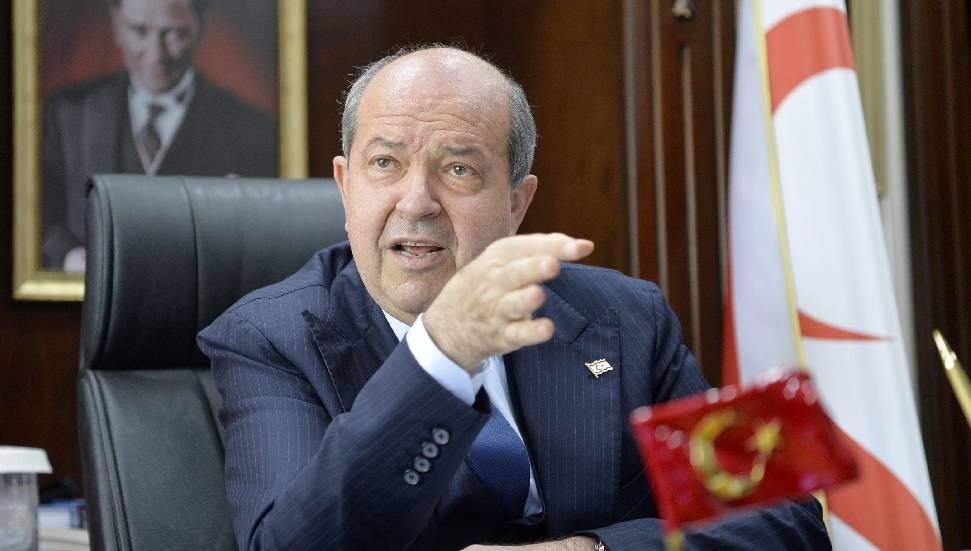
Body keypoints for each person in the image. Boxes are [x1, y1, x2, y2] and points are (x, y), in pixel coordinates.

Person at [198, 46, 828, 550]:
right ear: (345, 186)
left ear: (517, 203)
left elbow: (783, 516)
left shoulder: (626, 316)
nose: (416, 202)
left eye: (459, 169)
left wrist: (588, 550)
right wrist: (441, 354)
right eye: (385, 164)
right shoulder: (271, 337)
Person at [42, 0, 277, 271]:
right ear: (117, 26)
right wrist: (71, 259)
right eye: (139, 30)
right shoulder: (67, 115)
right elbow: (38, 219)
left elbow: (264, 237)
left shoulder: (251, 130)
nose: (156, 54)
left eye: (174, 33)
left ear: (200, 29)